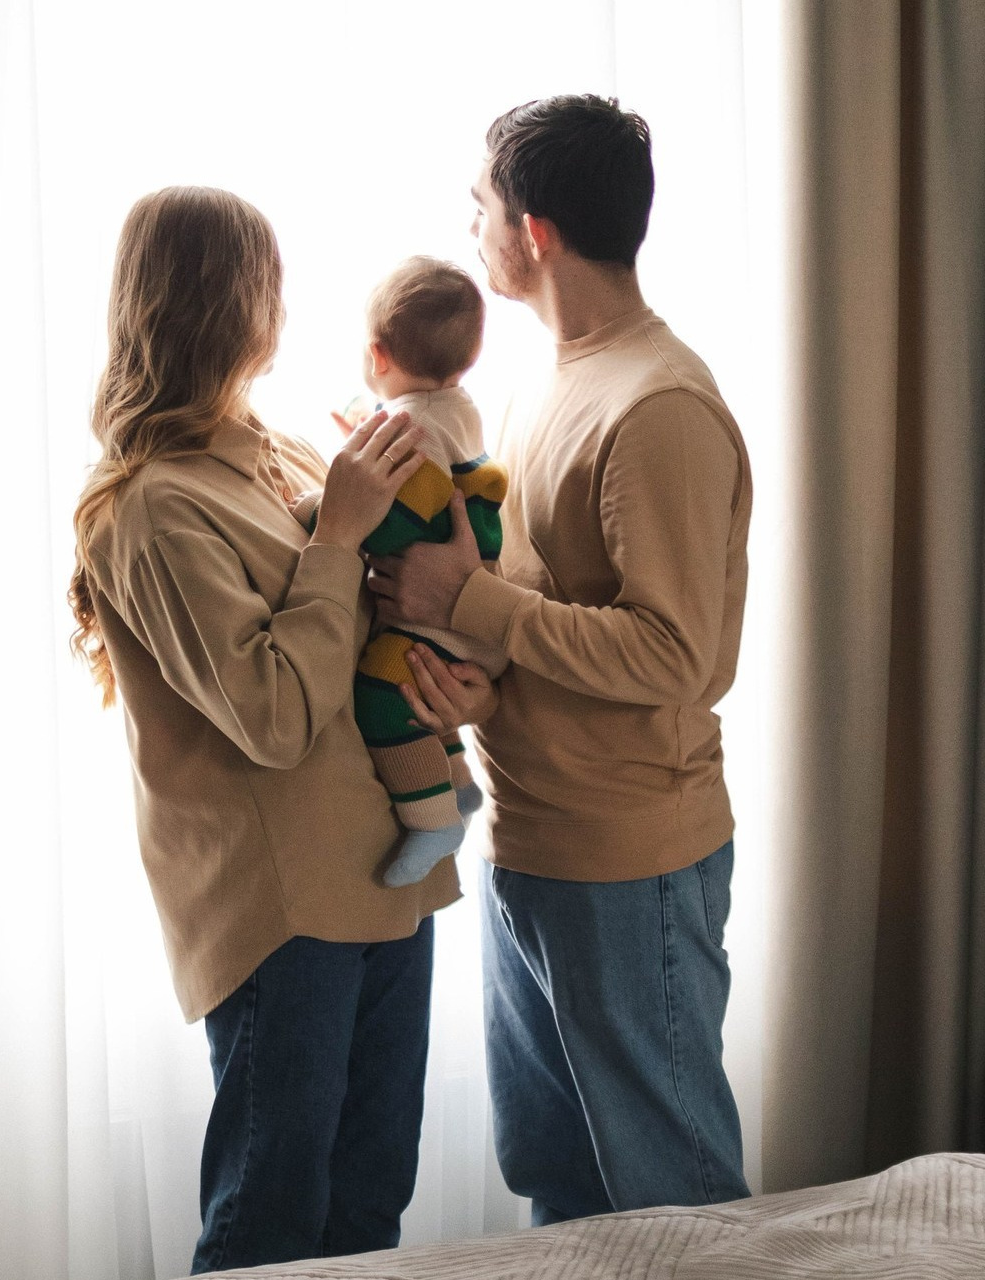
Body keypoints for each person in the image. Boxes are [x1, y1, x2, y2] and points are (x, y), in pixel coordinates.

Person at [368, 95, 754, 1222]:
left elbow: (672, 653)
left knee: (673, 1196)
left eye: (479, 203)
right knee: (560, 1193)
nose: (470, 225)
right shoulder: (552, 378)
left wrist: (471, 600)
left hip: (626, 858)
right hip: (529, 840)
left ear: (531, 232)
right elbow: (548, 609)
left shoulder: (656, 405)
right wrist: (482, 666)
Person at [68, 187, 466, 1272]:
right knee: (269, 1218)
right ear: (228, 301)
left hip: (383, 877)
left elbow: (367, 631)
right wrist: (336, 534)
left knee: (369, 1203)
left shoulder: (278, 450)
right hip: (283, 906)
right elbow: (277, 714)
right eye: (269, 281)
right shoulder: (148, 507)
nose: (284, 305)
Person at [291, 257, 508, 887]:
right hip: (479, 613)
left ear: (376, 354)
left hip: (442, 618)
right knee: (421, 697)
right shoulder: (457, 408)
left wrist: (319, 510)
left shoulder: (409, 429)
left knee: (385, 695)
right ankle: (459, 785)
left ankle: (433, 821)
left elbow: (382, 519)